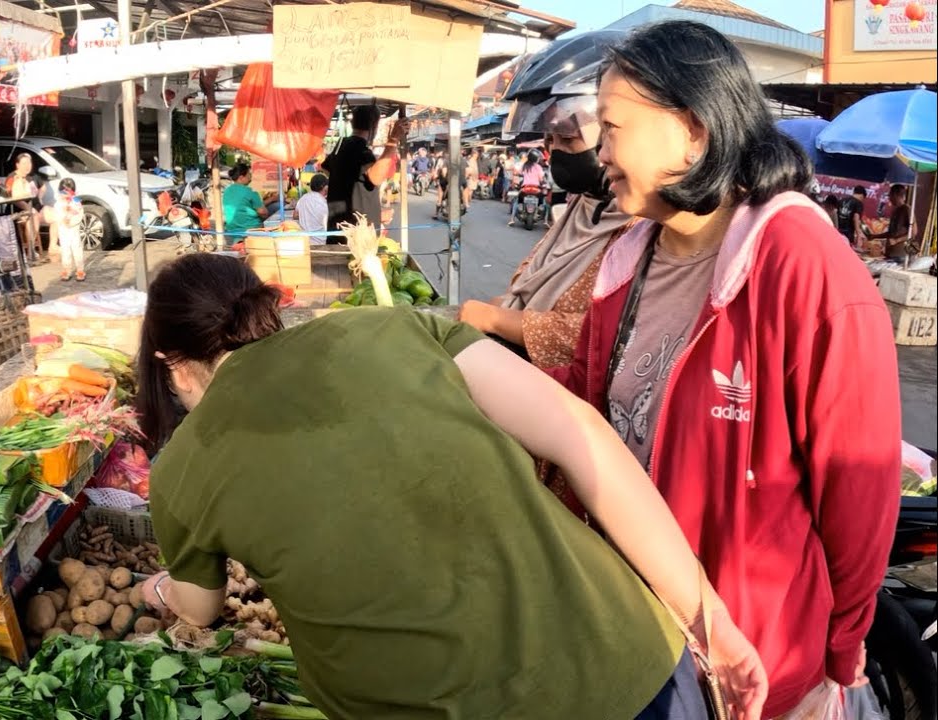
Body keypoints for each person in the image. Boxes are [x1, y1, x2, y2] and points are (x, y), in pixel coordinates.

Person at [131, 253, 767, 720]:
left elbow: (198, 609)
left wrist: (155, 585)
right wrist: (712, 622)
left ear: (168, 362)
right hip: (633, 663)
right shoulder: (395, 327)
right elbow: (581, 435)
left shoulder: (181, 467)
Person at [553, 21, 900, 718]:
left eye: (615, 127)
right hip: (636, 644)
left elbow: (859, 488)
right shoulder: (626, 261)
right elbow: (583, 417)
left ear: (693, 133)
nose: (602, 152)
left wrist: (840, 645)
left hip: (757, 667)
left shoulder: (802, 265)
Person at [460, 87, 634, 370]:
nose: (555, 151)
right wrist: (506, 304)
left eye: (567, 138)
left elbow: (614, 335)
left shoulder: (642, 224)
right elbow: (531, 278)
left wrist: (499, 319)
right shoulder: (579, 206)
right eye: (550, 140)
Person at [321, 104, 408, 235]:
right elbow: (375, 178)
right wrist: (393, 139)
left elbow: (326, 169)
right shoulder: (361, 150)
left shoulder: (341, 144)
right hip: (358, 234)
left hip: (338, 226)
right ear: (374, 126)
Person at [6, 152, 44, 262]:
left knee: (52, 215)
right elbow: (15, 199)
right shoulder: (13, 178)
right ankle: (30, 250)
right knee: (33, 217)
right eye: (24, 163)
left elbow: (43, 187)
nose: (27, 166)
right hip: (17, 210)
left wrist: (40, 198)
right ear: (17, 165)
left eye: (29, 163)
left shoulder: (31, 177)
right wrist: (28, 209)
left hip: (34, 207)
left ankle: (52, 247)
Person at [47, 177, 86, 282]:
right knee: (65, 250)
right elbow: (57, 215)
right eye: (63, 192)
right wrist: (63, 220)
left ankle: (80, 269)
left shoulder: (77, 202)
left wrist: (72, 222)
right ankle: (66, 269)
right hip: (63, 229)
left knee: (77, 249)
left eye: (68, 192)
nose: (65, 194)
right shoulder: (58, 203)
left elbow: (80, 215)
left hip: (74, 229)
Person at [221, 163, 274, 239]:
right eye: (249, 175)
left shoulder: (227, 191)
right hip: (250, 228)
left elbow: (243, 205)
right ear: (241, 177)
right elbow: (262, 212)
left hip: (232, 230)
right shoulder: (250, 191)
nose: (250, 177)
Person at [867, 183, 913, 260]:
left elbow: (913, 232)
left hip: (900, 255)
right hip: (890, 253)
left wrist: (896, 240)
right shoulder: (895, 211)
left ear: (895, 195)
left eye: (890, 195)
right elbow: (891, 233)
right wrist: (875, 236)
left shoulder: (906, 209)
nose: (889, 198)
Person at [294, 173, 329, 240]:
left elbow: (295, 215)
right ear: (324, 187)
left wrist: (306, 215)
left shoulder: (303, 198)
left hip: (305, 242)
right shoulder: (324, 203)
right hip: (321, 242)